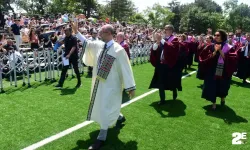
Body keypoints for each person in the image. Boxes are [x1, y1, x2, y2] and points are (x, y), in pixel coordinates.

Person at [72, 21, 136, 150]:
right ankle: (119, 116)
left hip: (112, 86)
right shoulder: (99, 45)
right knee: (102, 105)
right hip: (99, 84)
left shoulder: (118, 50)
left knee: (106, 107)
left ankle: (102, 137)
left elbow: (126, 68)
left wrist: (130, 86)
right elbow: (87, 43)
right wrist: (77, 32)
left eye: (102, 31)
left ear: (109, 33)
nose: (99, 33)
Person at [199, 29, 238, 110]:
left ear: (222, 37)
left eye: (218, 35)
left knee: (222, 85)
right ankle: (213, 102)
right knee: (212, 85)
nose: (215, 37)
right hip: (212, 69)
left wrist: (220, 50)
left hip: (223, 70)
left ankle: (222, 98)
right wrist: (214, 52)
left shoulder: (228, 47)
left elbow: (230, 60)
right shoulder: (211, 46)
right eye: (215, 35)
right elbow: (206, 57)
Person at [149, 25, 182, 105]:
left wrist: (161, 40)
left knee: (171, 81)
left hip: (170, 65)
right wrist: (157, 41)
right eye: (165, 29)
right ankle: (162, 99)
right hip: (161, 64)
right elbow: (154, 49)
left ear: (171, 30)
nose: (165, 31)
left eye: (167, 29)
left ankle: (174, 91)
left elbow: (171, 48)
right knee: (161, 82)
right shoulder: (163, 39)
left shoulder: (175, 39)